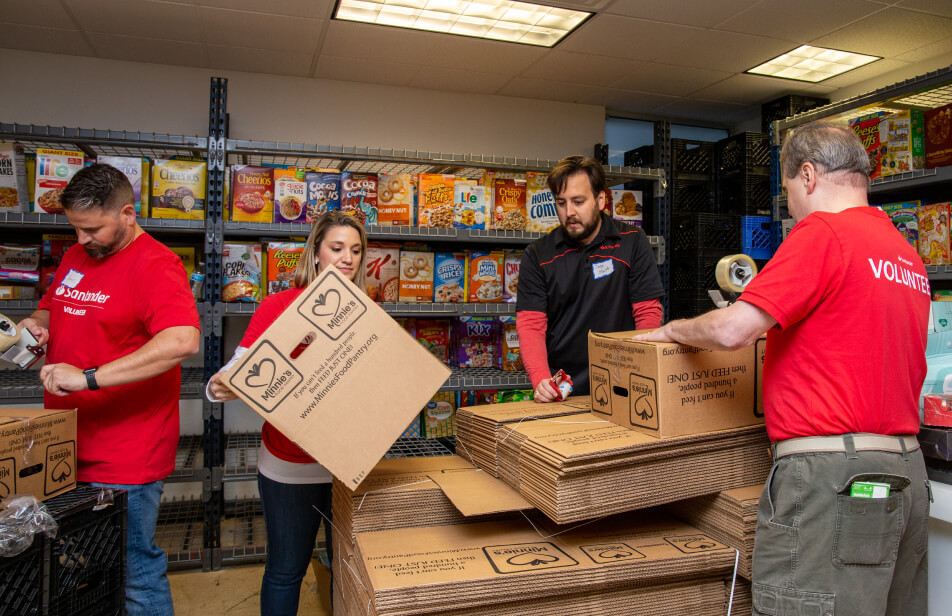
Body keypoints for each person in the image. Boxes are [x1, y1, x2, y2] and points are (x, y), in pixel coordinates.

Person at [636, 122, 930, 616]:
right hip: (905, 470)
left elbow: (734, 331)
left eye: (788, 190)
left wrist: (674, 331)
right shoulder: (904, 253)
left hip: (832, 478)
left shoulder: (822, 232)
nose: (789, 205)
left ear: (809, 175)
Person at [18, 163, 201, 616]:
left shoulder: (157, 264)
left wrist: (88, 376)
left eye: (92, 229)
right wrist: (36, 327)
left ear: (127, 213)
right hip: (65, 444)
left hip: (125, 453)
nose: (82, 240)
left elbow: (182, 340)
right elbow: (51, 308)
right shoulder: (79, 254)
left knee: (134, 571)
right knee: (88, 571)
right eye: (75, 229)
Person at [207, 211, 366, 616]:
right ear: (315, 253)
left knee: (349, 571)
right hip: (288, 466)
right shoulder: (279, 305)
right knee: (285, 570)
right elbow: (236, 370)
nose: (347, 258)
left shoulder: (368, 312)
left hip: (347, 467)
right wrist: (219, 385)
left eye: (356, 250)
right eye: (337, 248)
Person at [516, 155, 664, 402]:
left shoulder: (632, 241)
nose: (569, 212)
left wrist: (642, 371)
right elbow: (531, 324)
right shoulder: (538, 254)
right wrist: (541, 379)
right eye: (561, 203)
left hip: (622, 381)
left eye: (578, 201)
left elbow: (647, 312)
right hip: (563, 388)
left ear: (601, 199)